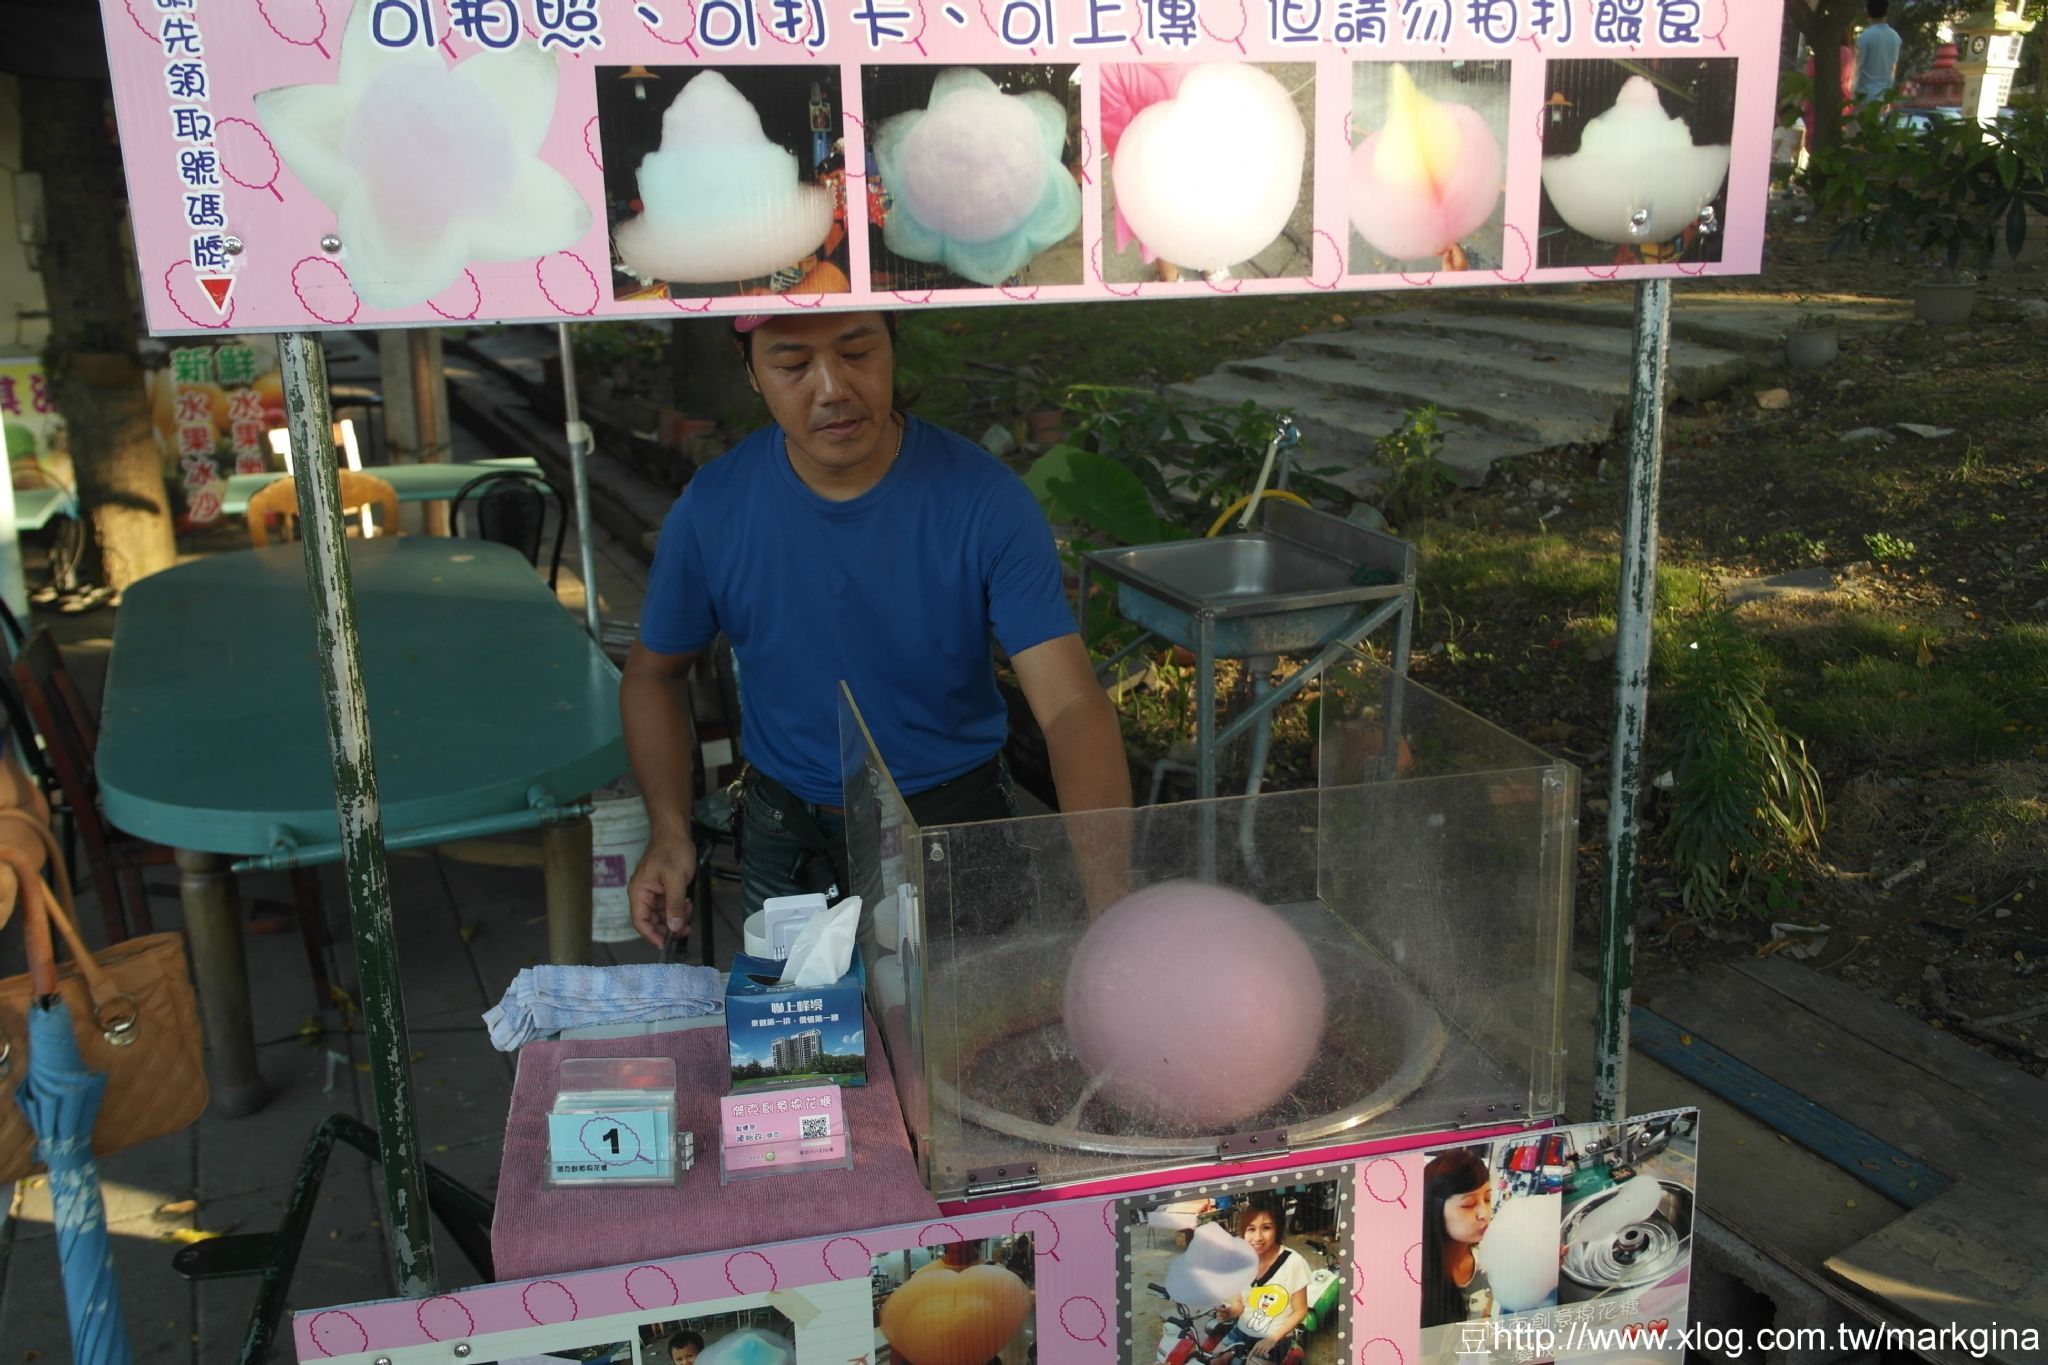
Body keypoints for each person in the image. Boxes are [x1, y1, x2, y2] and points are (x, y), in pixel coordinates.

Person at [623, 310, 1132, 948]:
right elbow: (652, 673)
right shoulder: (714, 507)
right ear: (751, 371)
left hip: (953, 831)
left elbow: (1070, 706)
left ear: (893, 346)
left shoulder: (983, 500)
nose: (832, 389)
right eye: (793, 365)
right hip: (789, 839)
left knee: (968, 1011)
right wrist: (669, 830)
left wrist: (1112, 904)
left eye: (858, 353)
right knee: (802, 1018)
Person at [1210, 1198, 1312, 1360]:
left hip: (1276, 1336)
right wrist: (1229, 1313)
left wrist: (1272, 1339)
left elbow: (1301, 1311)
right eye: (1251, 1229)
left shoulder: (1294, 1262)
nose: (1257, 1237)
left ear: (1278, 1229)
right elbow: (1240, 1304)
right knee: (1215, 1361)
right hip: (1242, 1331)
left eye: (1266, 1228)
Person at [1419, 1149, 1495, 1328]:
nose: (1484, 1214)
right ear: (1434, 1209)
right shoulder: (1415, 1277)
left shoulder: (1488, 1263)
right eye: (1469, 1204)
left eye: (1487, 1199)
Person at [1854, 1, 1902, 108]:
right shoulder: (1895, 37)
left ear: (1867, 12)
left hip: (1866, 95)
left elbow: (1858, 67)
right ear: (1886, 11)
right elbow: (1894, 67)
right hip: (1885, 94)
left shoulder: (1864, 37)